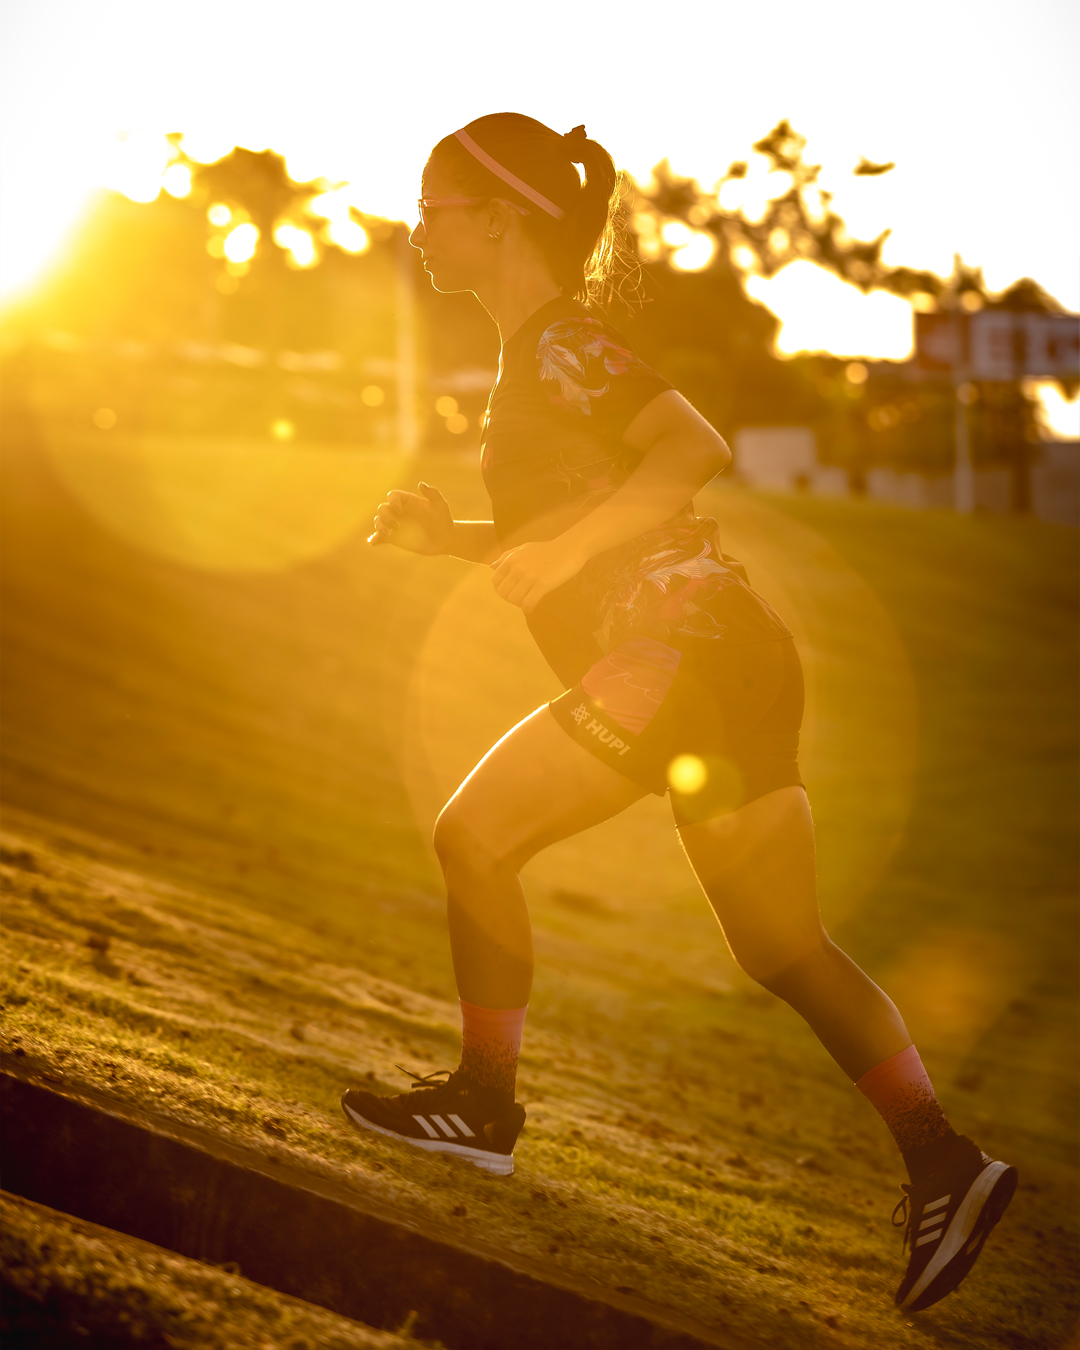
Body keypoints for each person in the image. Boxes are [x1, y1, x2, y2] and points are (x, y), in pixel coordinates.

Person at [341, 113, 1016, 1313]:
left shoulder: (558, 346)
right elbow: (591, 524)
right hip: (732, 652)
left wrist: (570, 556)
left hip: (676, 651)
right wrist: (457, 541)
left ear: (498, 221)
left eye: (435, 206)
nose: (418, 225)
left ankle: (482, 1104)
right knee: (784, 948)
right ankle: (945, 1164)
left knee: (474, 836)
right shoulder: (538, 358)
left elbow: (689, 446)